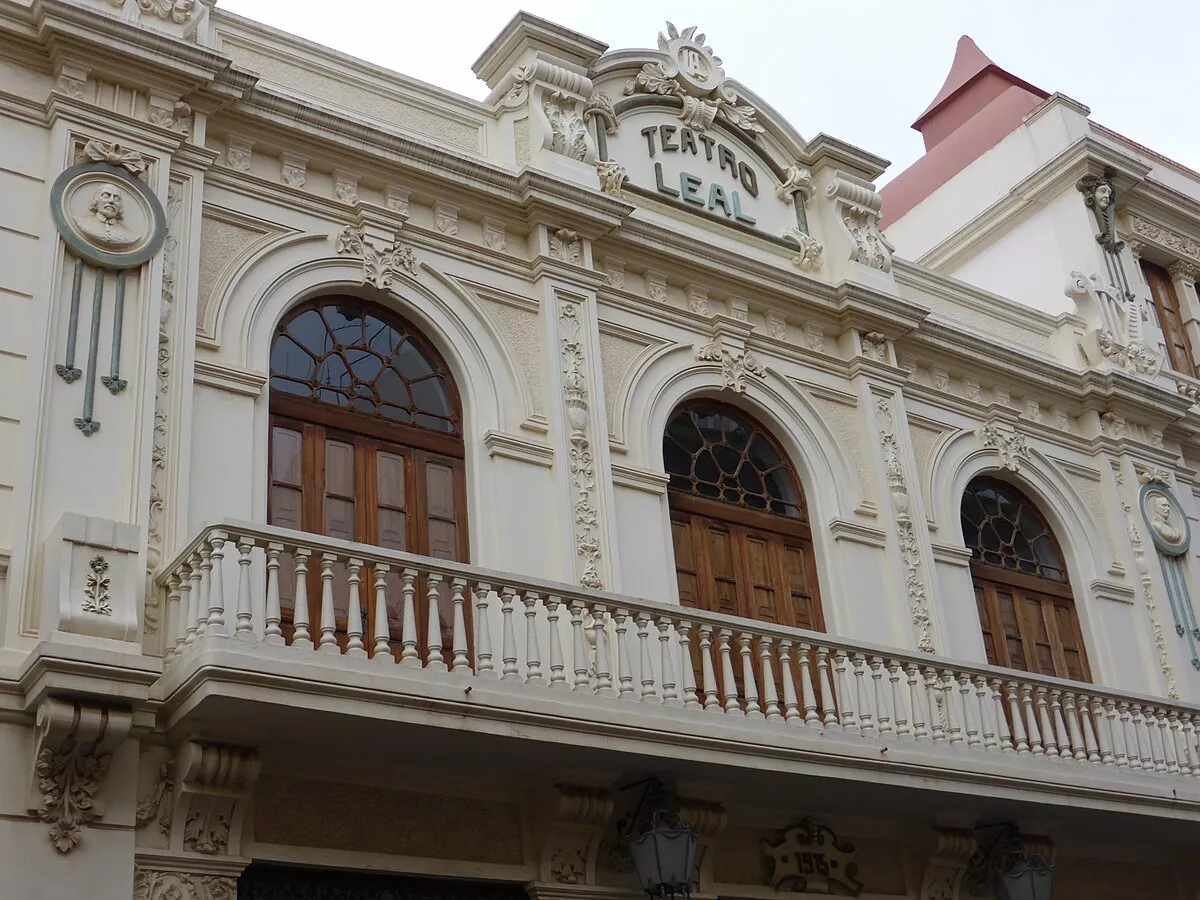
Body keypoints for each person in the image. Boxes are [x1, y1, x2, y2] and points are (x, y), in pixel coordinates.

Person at [74, 183, 140, 250]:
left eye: (116, 199)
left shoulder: (130, 236)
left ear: (120, 206)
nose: (111, 201)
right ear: (97, 200)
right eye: (106, 196)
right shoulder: (81, 222)